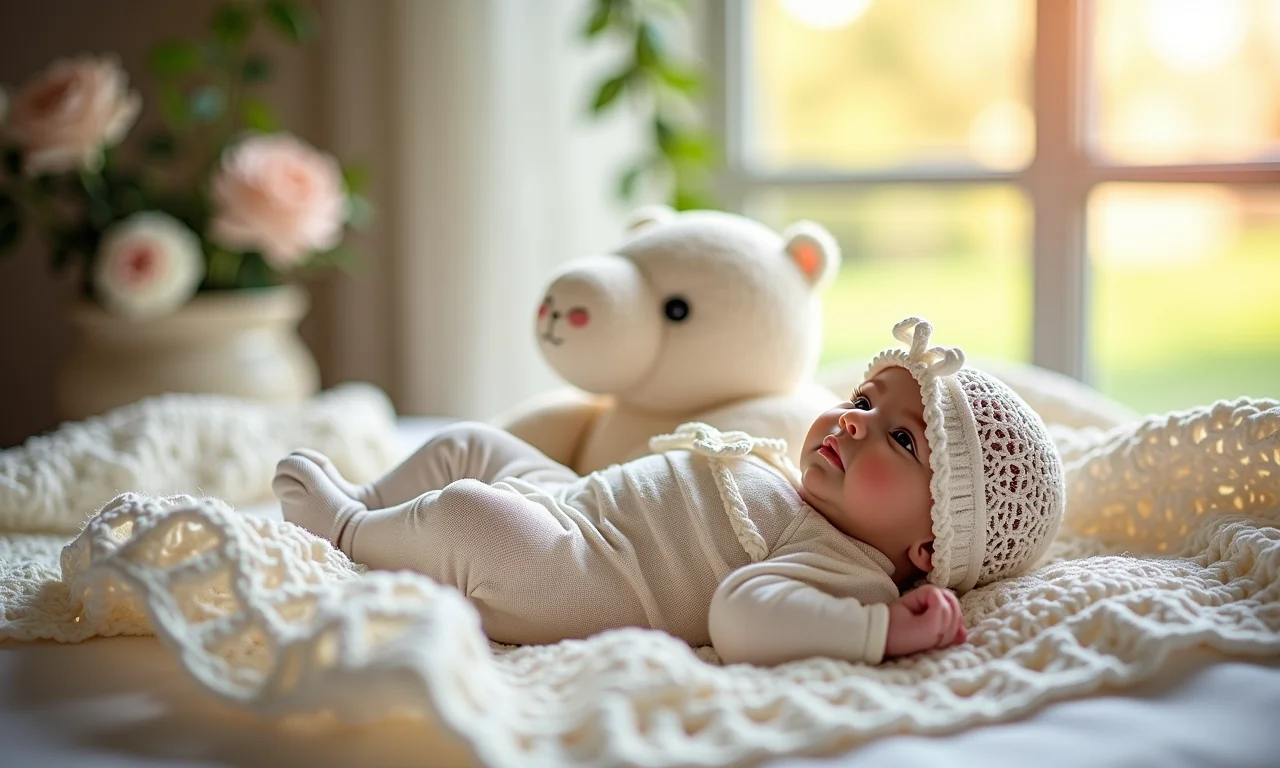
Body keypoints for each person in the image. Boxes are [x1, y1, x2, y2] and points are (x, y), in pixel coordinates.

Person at [273, 317, 1065, 665]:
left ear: (930, 544)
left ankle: (345, 533)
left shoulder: (847, 571)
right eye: (863, 402)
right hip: (577, 501)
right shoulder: (802, 494)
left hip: (579, 571)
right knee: (470, 445)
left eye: (900, 439)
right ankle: (373, 499)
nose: (855, 423)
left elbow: (742, 620)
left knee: (469, 517)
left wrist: (879, 632)